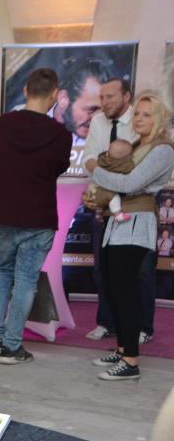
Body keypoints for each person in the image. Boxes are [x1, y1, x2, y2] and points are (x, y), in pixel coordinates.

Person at [85, 92, 174, 380]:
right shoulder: (137, 145)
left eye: (147, 114)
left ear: (159, 119)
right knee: (113, 287)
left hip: (136, 224)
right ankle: (123, 348)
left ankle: (131, 361)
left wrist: (97, 173)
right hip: (119, 223)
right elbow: (122, 187)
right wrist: (99, 199)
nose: (139, 118)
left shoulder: (162, 149)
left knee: (125, 290)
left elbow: (131, 183)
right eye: (137, 113)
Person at [0, 68, 72, 365]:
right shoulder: (61, 135)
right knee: (25, 281)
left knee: (1, 274)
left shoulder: (1, 125)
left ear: (25, 90)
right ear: (53, 97)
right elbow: (57, 169)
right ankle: (12, 347)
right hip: (39, 216)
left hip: (3, 212)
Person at [80, 77, 156, 344]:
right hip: (102, 206)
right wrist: (99, 188)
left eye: (110, 97)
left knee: (141, 271)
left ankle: (143, 326)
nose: (104, 103)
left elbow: (137, 173)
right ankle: (107, 322)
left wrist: (105, 178)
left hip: (135, 208)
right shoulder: (99, 122)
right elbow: (88, 157)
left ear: (127, 97)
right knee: (104, 270)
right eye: (102, 97)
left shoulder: (140, 124)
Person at [53, 61, 111, 144]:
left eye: (104, 112)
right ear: (63, 99)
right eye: (92, 110)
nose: (97, 118)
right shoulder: (30, 123)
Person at [86, 140, 138, 222]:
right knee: (114, 197)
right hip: (102, 193)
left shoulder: (101, 159)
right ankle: (118, 214)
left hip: (92, 190)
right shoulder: (122, 166)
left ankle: (99, 213)